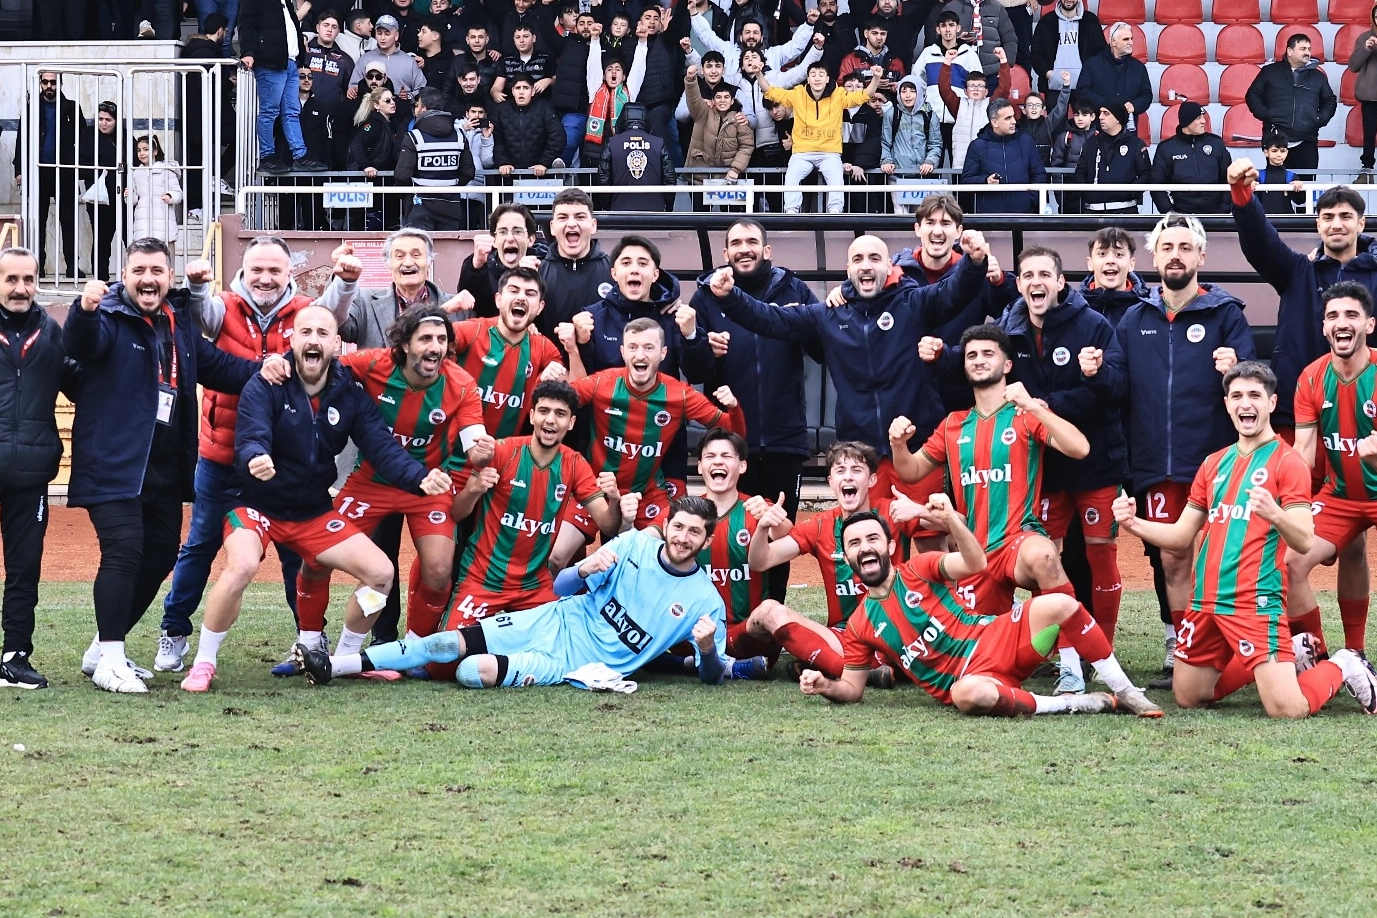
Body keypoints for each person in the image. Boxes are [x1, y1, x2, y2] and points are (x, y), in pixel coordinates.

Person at [178, 305, 454, 692]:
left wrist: (420, 477)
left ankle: (343, 660)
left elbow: (382, 448)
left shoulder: (349, 393)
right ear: (292, 340)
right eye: (305, 332)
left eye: (323, 334)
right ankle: (204, 663)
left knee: (381, 574)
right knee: (241, 566)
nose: (313, 340)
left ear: (336, 344)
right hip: (256, 505)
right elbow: (251, 434)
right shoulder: (267, 381)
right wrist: (256, 456)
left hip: (312, 512)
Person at [64, 238, 275, 693]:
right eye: (139, 270)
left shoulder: (177, 322)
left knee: (160, 553)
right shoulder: (107, 317)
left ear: (170, 277)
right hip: (113, 463)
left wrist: (270, 368)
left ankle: (100, 649)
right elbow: (80, 345)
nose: (148, 279)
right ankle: (112, 659)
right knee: (123, 551)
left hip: (161, 465)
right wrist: (83, 309)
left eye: (157, 271)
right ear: (125, 276)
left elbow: (219, 366)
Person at [1114, 361, 1377, 717]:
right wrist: (1133, 523)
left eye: (1255, 395)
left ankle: (1344, 663)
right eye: (1237, 396)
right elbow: (1179, 536)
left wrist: (1276, 514)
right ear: (1227, 404)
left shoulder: (1288, 462)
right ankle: (1293, 652)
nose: (1245, 403)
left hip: (1255, 602)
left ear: (1271, 403)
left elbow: (1304, 540)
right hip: (1205, 604)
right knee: (1189, 696)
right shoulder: (1213, 463)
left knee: (1286, 709)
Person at [155, 238, 361, 674]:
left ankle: (309, 637)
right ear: (243, 272)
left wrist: (344, 282)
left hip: (281, 463)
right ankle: (174, 630)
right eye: (257, 270)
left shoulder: (304, 311)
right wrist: (197, 287)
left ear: (289, 273)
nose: (265, 279)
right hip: (221, 454)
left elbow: (332, 314)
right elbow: (200, 313)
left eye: (274, 271)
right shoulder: (223, 307)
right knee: (200, 544)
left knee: (295, 552)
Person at [295, 498, 731, 689]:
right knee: (446, 642)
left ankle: (372, 664)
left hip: (570, 664)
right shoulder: (634, 543)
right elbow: (559, 587)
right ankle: (335, 666)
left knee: (472, 672)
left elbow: (712, 676)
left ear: (707, 539)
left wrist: (709, 649)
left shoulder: (704, 601)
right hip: (553, 619)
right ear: (666, 526)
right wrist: (583, 568)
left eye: (695, 532)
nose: (683, 538)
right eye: (679, 527)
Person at [1081, 213, 1256, 688]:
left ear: (1201, 255)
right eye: (1167, 248)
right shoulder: (1135, 318)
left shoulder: (1226, 314)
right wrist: (1096, 373)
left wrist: (1238, 365)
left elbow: (1254, 384)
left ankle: (1241, 646)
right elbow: (1118, 387)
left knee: (1226, 559)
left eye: (1184, 247)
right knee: (1172, 559)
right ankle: (1184, 650)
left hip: (1219, 463)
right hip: (1156, 463)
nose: (1175, 255)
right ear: (1154, 258)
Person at [706, 233, 988, 512]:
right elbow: (770, 318)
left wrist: (974, 262)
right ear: (848, 269)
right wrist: (730, 295)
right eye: (858, 259)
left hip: (916, 447)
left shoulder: (914, 303)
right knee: (867, 531)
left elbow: (953, 292)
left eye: (874, 258)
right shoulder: (828, 315)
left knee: (927, 530)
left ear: (889, 266)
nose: (866, 265)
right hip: (861, 453)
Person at [798, 508, 1162, 716]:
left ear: (890, 547)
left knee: (1063, 604)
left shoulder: (919, 568)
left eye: (872, 539)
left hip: (995, 638)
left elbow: (976, 563)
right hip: (971, 681)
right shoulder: (860, 624)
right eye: (855, 543)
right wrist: (825, 685)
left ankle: (1126, 690)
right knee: (966, 695)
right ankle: (1073, 703)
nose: (865, 548)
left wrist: (953, 521)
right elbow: (852, 689)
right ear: (847, 556)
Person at [986, 249, 1128, 690]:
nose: (1036, 281)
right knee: (1047, 558)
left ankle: (1102, 652)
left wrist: (1091, 378)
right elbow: (981, 365)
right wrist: (939, 357)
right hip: (1042, 467)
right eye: (1028, 275)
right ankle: (1060, 655)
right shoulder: (1008, 329)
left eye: (1045, 274)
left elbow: (1118, 388)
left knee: (1101, 553)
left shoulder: (1093, 325)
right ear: (1018, 284)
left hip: (1097, 460)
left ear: (1061, 281)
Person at [891, 324, 1092, 633]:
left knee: (1045, 556)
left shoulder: (1025, 415)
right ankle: (1017, 621)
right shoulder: (953, 424)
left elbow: (1080, 448)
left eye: (988, 353)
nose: (979, 360)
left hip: (1017, 542)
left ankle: (1073, 656)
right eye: (971, 355)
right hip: (974, 551)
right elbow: (911, 470)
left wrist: (1033, 405)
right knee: (977, 641)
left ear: (1007, 365)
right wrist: (898, 445)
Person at [318, 305, 490, 654]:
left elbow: (475, 443)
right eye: (425, 338)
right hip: (372, 481)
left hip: (429, 485)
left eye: (441, 339)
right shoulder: (373, 364)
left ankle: (412, 650)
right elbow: (322, 369)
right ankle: (313, 640)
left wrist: (482, 453)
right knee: (317, 556)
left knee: (439, 571)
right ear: (405, 344)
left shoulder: (461, 384)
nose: (435, 347)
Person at [690, 219, 821, 602]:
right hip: (730, 443)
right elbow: (696, 370)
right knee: (724, 536)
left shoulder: (794, 289)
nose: (744, 248)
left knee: (778, 534)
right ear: (725, 253)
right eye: (736, 243)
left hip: (784, 438)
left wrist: (801, 324)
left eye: (752, 241)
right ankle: (722, 615)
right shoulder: (707, 297)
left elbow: (822, 349)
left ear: (767, 250)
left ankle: (771, 618)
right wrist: (702, 346)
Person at [441, 381, 620, 650]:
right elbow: (457, 512)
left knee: (561, 652)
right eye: (544, 411)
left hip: (533, 587)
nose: (551, 420)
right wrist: (474, 489)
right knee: (445, 659)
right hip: (483, 579)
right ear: (532, 415)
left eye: (560, 414)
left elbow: (607, 524)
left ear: (571, 423)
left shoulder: (575, 464)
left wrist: (614, 499)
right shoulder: (502, 451)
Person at [740, 440, 926, 682]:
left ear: (872, 480)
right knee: (768, 612)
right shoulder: (820, 525)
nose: (848, 477)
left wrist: (920, 511)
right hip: (844, 638)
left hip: (894, 634)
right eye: (840, 470)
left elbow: (956, 525)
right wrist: (763, 527)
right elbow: (761, 561)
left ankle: (835, 666)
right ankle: (861, 672)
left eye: (856, 470)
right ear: (830, 481)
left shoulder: (893, 512)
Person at [568, 317, 744, 529]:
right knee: (560, 548)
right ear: (623, 352)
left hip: (646, 495)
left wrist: (734, 407)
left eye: (649, 348)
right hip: (595, 489)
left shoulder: (679, 394)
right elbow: (557, 401)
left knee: (669, 540)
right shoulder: (600, 383)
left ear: (663, 353)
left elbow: (734, 433)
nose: (640, 355)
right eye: (633, 347)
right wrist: (548, 376)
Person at [1285, 282, 1377, 659]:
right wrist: (1285, 503)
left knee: (1354, 552)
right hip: (1340, 498)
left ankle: (1355, 652)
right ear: (1324, 327)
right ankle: (1322, 662)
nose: (1342, 322)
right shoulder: (1311, 377)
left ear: (1369, 324)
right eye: (1333, 316)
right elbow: (1303, 452)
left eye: (1352, 315)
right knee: (1289, 565)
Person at [0, 248, 78, 689]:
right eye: (11, 279)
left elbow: (80, 383)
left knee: (24, 568)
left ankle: (15, 658)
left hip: (31, 473)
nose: (20, 288)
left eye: (28, 279)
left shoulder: (51, 332)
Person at [891, 194, 1018, 412]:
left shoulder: (978, 269)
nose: (937, 231)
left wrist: (1001, 282)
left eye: (945, 223)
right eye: (930, 222)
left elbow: (1014, 315)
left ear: (958, 231)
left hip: (961, 396)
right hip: (906, 398)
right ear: (917, 229)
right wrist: (844, 291)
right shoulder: (896, 272)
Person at [452, 266, 566, 439]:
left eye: (530, 293)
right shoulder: (472, 331)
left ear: (540, 307)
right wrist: (444, 310)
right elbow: (418, 342)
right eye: (513, 290)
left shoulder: (544, 347)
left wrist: (571, 351)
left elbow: (572, 388)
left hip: (500, 454)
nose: (521, 297)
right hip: (450, 451)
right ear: (498, 300)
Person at [760, 61, 880, 214]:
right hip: (802, 152)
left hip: (829, 153)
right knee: (792, 176)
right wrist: (758, 74)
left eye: (821, 75)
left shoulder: (839, 94)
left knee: (836, 177)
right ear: (808, 79)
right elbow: (770, 92)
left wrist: (876, 78)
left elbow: (864, 95)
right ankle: (791, 211)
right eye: (813, 75)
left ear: (827, 79)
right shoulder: (797, 93)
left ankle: (835, 211)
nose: (817, 78)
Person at [239, 0, 329, 175]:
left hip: (290, 62)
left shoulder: (286, 3)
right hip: (270, 62)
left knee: (292, 112)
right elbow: (246, 23)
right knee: (269, 111)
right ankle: (267, 156)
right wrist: (248, 52)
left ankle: (300, 154)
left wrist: (300, 56)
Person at [14, 71, 88, 278]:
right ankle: (38, 266)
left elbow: (83, 140)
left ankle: (72, 266)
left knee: (69, 220)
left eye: (53, 82)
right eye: (45, 82)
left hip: (65, 171)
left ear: (60, 84)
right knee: (37, 221)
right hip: (38, 171)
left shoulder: (72, 108)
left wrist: (78, 167)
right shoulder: (32, 108)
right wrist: (19, 170)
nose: (49, 86)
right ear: (40, 83)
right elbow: (21, 140)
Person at [1245, 33, 1337, 177]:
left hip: (1307, 141)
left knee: (1305, 186)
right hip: (1276, 139)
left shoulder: (1318, 76)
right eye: (1302, 49)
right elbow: (1253, 95)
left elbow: (1330, 100)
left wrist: (1319, 119)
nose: (1307, 52)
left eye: (1309, 49)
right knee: (1278, 185)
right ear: (1289, 51)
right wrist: (1266, 114)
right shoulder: (1270, 72)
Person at [395, 87, 477, 231]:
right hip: (451, 205)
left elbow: (402, 175)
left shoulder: (414, 137)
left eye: (417, 105)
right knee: (449, 245)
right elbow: (468, 172)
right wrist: (451, 188)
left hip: (420, 206)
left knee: (421, 245)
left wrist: (410, 195)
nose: (416, 110)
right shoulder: (459, 136)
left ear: (423, 108)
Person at [536, 188, 613, 341]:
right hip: (550, 356)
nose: (571, 223)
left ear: (593, 225)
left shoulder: (614, 271)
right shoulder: (536, 272)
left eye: (580, 217)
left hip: (601, 357)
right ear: (552, 227)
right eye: (563, 217)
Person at [913, 10, 983, 165]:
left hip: (959, 119)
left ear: (958, 28)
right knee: (931, 164)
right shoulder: (927, 53)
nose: (947, 29)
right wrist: (925, 105)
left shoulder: (969, 54)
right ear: (937, 29)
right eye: (943, 26)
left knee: (958, 163)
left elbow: (977, 85)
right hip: (932, 118)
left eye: (951, 25)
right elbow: (917, 82)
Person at [455, 204, 544, 319]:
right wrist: (476, 266)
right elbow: (470, 305)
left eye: (517, 231)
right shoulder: (483, 267)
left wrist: (534, 278)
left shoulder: (545, 268)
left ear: (531, 239)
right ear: (494, 240)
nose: (510, 238)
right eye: (502, 232)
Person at [960, 97, 1047, 214]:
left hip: (1023, 214)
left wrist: (1030, 200)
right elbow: (966, 180)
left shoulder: (1026, 141)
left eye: (1013, 116)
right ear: (994, 122)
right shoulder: (977, 146)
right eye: (1008, 118)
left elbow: (1039, 174)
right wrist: (985, 181)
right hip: (990, 216)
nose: (1014, 121)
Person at [1150, 101, 1231, 215]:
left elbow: (1229, 178)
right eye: (1198, 118)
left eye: (1203, 117)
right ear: (1186, 121)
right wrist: (1170, 213)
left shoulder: (1216, 144)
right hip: (1181, 215)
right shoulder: (1167, 148)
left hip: (1215, 215)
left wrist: (1223, 209)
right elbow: (1156, 184)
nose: (1203, 121)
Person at [579, 35, 647, 169]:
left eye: (618, 69)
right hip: (594, 152)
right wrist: (595, 39)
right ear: (604, 76)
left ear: (624, 77)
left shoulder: (629, 93)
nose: (613, 72)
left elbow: (638, 69)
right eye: (609, 69)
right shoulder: (595, 90)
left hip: (621, 150)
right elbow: (593, 66)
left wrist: (642, 43)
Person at [597, 104, 678, 212]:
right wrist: (668, 207)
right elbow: (669, 178)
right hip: (655, 212)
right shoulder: (658, 143)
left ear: (622, 120)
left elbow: (603, 179)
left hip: (619, 211)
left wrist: (607, 207)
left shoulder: (612, 143)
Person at [1072, 102, 1149, 215]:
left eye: (1106, 113)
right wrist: (1087, 193)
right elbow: (1080, 171)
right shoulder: (1091, 143)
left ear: (1118, 118)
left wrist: (1130, 192)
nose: (1100, 117)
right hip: (1092, 211)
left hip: (1125, 211)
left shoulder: (1135, 144)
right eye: (1100, 113)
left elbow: (1146, 174)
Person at [1075, 22, 1150, 136]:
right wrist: (1105, 105)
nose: (1131, 42)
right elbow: (1082, 91)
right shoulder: (1092, 64)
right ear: (1113, 41)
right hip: (1097, 131)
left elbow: (1146, 95)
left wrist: (1134, 105)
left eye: (1131, 39)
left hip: (1127, 132)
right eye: (1126, 39)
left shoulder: (1139, 67)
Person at [683, 65, 755, 184]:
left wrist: (736, 169)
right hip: (700, 176)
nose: (722, 101)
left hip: (728, 178)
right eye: (718, 97)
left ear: (732, 101)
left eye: (726, 97)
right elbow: (693, 99)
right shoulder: (703, 112)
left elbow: (746, 146)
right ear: (712, 101)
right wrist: (690, 79)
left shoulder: (739, 119)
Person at [937, 56, 1009, 172]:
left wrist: (1003, 61)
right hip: (961, 166)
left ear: (986, 91)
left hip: (986, 167)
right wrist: (947, 63)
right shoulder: (958, 105)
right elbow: (944, 88)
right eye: (972, 86)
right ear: (965, 91)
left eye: (980, 86)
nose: (976, 89)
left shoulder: (991, 105)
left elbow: (1004, 89)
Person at [881, 75, 942, 199]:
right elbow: (885, 142)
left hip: (923, 176)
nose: (907, 95)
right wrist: (886, 161)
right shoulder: (892, 114)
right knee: (899, 210)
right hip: (897, 175)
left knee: (921, 210)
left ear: (919, 93)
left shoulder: (929, 115)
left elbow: (935, 144)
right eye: (903, 91)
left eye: (912, 91)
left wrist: (930, 161)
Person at [492, 73, 564, 177]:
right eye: (518, 88)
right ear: (512, 91)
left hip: (541, 174)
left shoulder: (544, 108)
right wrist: (503, 162)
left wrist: (544, 162)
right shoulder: (501, 110)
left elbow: (557, 137)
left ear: (533, 91)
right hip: (510, 174)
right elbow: (497, 140)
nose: (521, 92)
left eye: (526, 88)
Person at [348, 15, 428, 105]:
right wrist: (352, 91)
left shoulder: (410, 61)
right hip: (371, 110)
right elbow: (354, 87)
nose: (382, 38)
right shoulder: (365, 59)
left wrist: (409, 96)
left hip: (402, 111)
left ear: (396, 36)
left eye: (387, 33)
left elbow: (422, 88)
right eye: (379, 33)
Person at [1079, 225, 1148, 327]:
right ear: (1090, 263)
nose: (1110, 261)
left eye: (1119, 254)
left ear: (1131, 264)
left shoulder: (1147, 310)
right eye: (1102, 254)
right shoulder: (1075, 309)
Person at [1031, 0, 1105, 93]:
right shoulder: (1046, 21)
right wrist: (1049, 74)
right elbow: (1036, 54)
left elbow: (1100, 53)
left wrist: (1089, 76)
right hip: (1053, 87)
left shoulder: (1091, 21)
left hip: (1085, 88)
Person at [940, 0, 1016, 91]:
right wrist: (958, 40)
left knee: (994, 100)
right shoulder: (951, 7)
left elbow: (1010, 39)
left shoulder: (997, 8)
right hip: (959, 71)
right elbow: (939, 38)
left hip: (991, 73)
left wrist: (1005, 66)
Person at [126, 136, 182, 258]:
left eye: (146, 149)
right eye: (139, 150)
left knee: (165, 257)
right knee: (145, 257)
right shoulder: (135, 172)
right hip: (142, 221)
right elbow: (133, 201)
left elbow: (178, 193)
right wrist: (129, 195)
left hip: (163, 219)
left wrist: (170, 195)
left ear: (155, 151)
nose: (142, 153)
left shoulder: (166, 171)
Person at [84, 101, 121, 282]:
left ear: (116, 121)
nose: (103, 123)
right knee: (101, 240)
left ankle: (132, 279)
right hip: (99, 199)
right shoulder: (89, 135)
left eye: (108, 120)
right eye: (100, 119)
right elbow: (81, 165)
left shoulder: (124, 136)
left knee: (130, 239)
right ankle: (100, 280)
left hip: (123, 197)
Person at [1350, 10, 1377, 181]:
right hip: (1370, 95)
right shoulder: (1365, 37)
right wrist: (1366, 49)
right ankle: (1367, 170)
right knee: (1369, 134)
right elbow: (1353, 66)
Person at [1256, 130, 1305, 214]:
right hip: (1264, 219)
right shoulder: (1258, 176)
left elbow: (1300, 201)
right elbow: (1250, 201)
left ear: (1287, 152)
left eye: (1282, 151)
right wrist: (1250, 187)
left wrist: (1299, 189)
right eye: (1274, 151)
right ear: (1266, 152)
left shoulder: (1291, 176)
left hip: (1287, 220)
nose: (1279, 154)